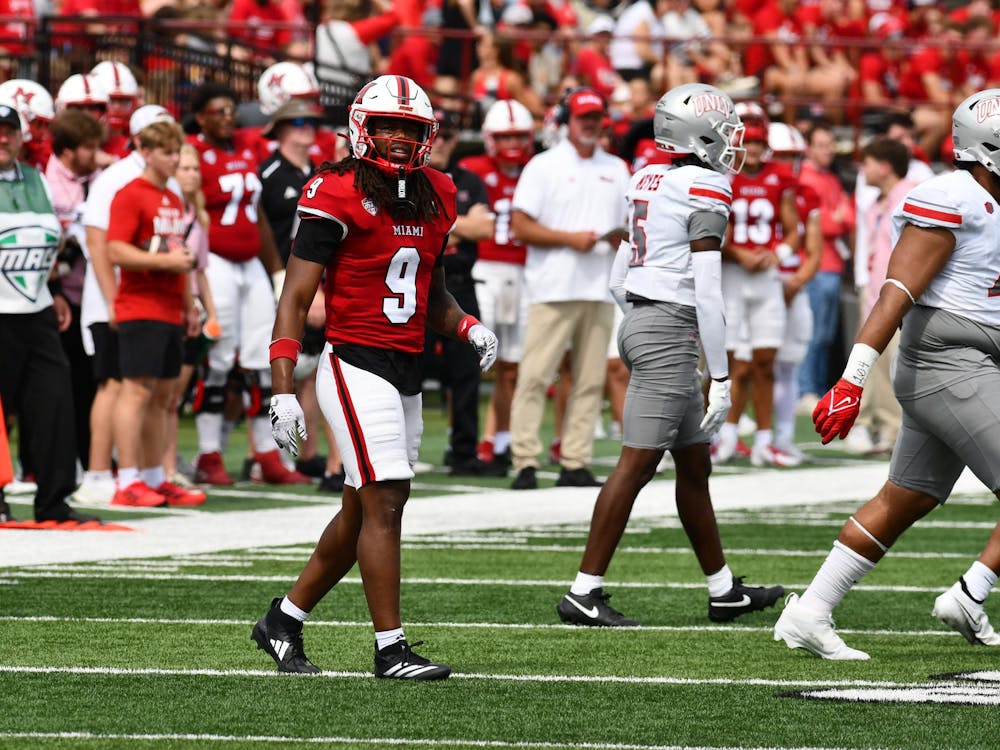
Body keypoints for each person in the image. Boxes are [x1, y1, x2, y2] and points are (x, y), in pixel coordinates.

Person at [251, 75, 498, 679]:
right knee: (385, 496)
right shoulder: (332, 190)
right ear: (364, 127)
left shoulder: (438, 190)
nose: (397, 138)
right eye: (388, 125)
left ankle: (283, 620)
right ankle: (390, 649)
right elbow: (294, 297)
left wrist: (465, 325)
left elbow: (429, 290)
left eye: (409, 128)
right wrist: (283, 390)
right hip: (354, 360)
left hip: (406, 363)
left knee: (366, 508)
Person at [773, 89, 1000, 660]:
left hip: (967, 363)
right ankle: (972, 592)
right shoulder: (955, 197)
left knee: (908, 495)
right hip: (949, 362)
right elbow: (896, 289)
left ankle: (810, 612)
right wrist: (852, 378)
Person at [555, 83, 784, 627]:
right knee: (636, 464)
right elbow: (708, 289)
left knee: (694, 464)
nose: (732, 139)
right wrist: (722, 376)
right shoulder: (706, 184)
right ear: (697, 132)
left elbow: (618, 274)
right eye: (725, 128)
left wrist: (642, 319)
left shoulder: (645, 177)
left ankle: (723, 589)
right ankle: (584, 592)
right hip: (669, 327)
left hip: (642, 318)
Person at [508, 87, 631, 490]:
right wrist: (569, 238)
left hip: (600, 285)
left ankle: (575, 459)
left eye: (596, 117)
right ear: (567, 121)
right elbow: (520, 225)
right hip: (553, 285)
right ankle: (525, 459)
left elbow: (630, 222)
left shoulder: (616, 167)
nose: (591, 124)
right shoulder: (543, 165)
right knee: (536, 376)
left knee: (591, 380)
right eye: (583, 118)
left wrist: (619, 239)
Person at [187, 82, 308, 486]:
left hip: (249, 264)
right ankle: (209, 453)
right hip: (217, 261)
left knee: (261, 362)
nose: (227, 117)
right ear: (201, 115)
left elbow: (255, 212)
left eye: (230, 110)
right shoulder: (194, 154)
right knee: (219, 361)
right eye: (218, 110)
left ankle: (267, 454)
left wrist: (275, 269)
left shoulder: (243, 148)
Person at [75, 104, 177, 509]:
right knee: (115, 384)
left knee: (147, 389)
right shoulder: (118, 177)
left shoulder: (158, 182)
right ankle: (100, 475)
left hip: (146, 297)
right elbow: (99, 241)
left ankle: (146, 475)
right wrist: (110, 299)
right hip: (119, 295)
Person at [0, 103, 98, 524]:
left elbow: (47, 241)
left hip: (36, 307)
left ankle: (54, 499)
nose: (2, 139)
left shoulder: (37, 179)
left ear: (21, 137)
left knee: (55, 400)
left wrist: (54, 288)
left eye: (8, 131)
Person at [106, 120, 206, 508]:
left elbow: (178, 258)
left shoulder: (173, 197)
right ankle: (127, 478)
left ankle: (153, 476)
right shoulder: (131, 194)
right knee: (136, 391)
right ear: (145, 153)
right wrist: (163, 262)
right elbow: (116, 250)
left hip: (167, 307)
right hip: (140, 305)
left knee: (163, 395)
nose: (173, 159)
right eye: (166, 152)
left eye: (175, 152)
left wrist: (187, 306)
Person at [258, 97, 344, 491]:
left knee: (310, 372)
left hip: (309, 282)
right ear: (279, 129)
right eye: (298, 122)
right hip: (273, 279)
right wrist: (278, 277)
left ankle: (306, 456)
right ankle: (260, 452)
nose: (308, 128)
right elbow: (259, 230)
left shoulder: (315, 171)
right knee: (276, 367)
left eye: (311, 121)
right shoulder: (269, 174)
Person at [713, 116, 800, 467]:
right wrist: (737, 253)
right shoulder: (723, 178)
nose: (753, 150)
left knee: (766, 362)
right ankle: (725, 437)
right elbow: (716, 231)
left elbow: (793, 230)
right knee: (734, 364)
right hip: (733, 276)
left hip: (765, 277)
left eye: (758, 143)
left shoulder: (780, 178)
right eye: (748, 143)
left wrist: (775, 255)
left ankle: (764, 441)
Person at [460, 99, 535, 472]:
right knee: (475, 361)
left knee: (512, 364)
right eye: (505, 137)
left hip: (524, 273)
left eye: (519, 136)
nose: (512, 144)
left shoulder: (538, 171)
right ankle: (472, 438)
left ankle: (500, 438)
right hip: (484, 270)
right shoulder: (472, 171)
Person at [424, 107, 498, 476]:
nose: (440, 142)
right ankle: (401, 446)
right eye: (435, 134)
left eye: (448, 136)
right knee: (409, 368)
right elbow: (415, 231)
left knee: (466, 371)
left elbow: (486, 229)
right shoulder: (413, 177)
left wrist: (442, 228)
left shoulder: (469, 180)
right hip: (418, 284)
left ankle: (464, 451)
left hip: (459, 283)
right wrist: (460, 226)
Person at [846, 138, 915, 456]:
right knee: (876, 364)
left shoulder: (912, 196)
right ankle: (879, 429)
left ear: (885, 167)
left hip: (900, 297)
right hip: (876, 295)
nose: (863, 169)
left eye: (869, 162)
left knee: (895, 367)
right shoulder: (877, 203)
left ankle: (894, 432)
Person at [44, 108, 103, 475]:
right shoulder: (46, 183)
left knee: (88, 383)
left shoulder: (99, 178)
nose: (94, 155)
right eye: (88, 148)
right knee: (61, 386)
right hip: (59, 294)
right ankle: (41, 463)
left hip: (91, 293)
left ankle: (85, 456)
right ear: (68, 150)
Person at [796, 121, 855, 412]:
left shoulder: (829, 178)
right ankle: (805, 389)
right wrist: (839, 217)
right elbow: (826, 225)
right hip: (818, 264)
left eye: (830, 144)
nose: (828, 150)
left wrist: (839, 217)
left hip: (831, 265)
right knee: (813, 332)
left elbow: (847, 217)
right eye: (821, 145)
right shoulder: (808, 179)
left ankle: (815, 388)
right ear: (807, 148)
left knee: (825, 335)